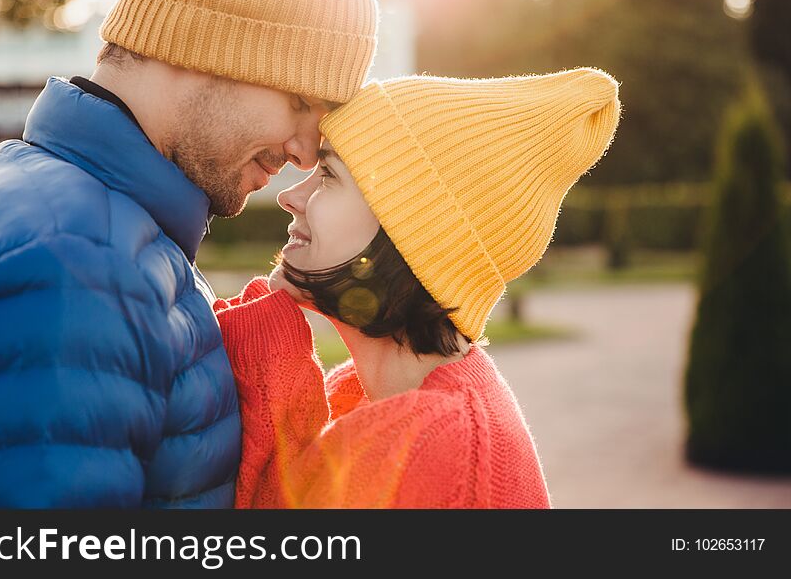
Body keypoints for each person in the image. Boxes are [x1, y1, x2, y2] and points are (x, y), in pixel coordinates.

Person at [0, 0, 377, 507]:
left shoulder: (107, 232)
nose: (306, 151)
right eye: (301, 102)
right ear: (206, 43)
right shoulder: (69, 260)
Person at [214, 68, 622, 508]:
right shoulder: (375, 402)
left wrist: (266, 359)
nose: (289, 196)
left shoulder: (443, 452)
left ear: (412, 233)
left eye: (329, 175)